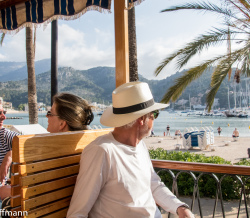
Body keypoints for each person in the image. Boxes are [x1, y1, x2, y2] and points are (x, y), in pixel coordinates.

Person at [67, 82, 194, 218]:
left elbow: (153, 184)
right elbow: (77, 213)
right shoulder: (102, 151)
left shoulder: (139, 146)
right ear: (141, 118)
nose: (154, 119)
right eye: (154, 114)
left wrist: (180, 208)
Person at [0, 105, 20, 201]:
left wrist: (10, 154)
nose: (4, 117)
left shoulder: (4, 136)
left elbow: (29, 143)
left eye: (4, 112)